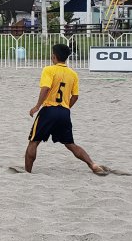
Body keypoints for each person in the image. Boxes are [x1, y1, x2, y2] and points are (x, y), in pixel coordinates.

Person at [24, 43, 106, 175]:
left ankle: (27, 172)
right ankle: (93, 164)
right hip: (64, 112)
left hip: (49, 110)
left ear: (54, 56)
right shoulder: (73, 74)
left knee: (33, 142)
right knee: (70, 144)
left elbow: (45, 88)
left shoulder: (49, 70)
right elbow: (75, 96)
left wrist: (37, 106)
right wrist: (66, 108)